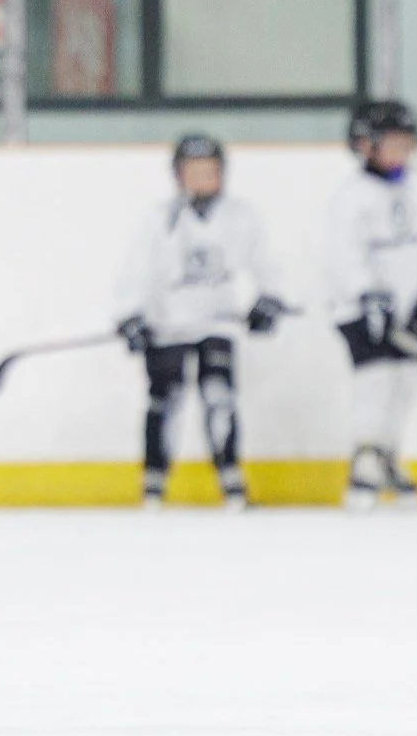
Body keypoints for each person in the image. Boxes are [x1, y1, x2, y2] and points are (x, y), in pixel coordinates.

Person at [114, 134, 288, 511]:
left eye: (210, 171)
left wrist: (270, 298)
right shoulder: (158, 219)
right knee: (166, 398)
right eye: (193, 172)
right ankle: (154, 480)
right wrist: (130, 314)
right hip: (168, 325)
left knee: (219, 395)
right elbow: (136, 270)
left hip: (217, 323)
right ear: (178, 175)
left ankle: (230, 476)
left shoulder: (241, 216)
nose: (202, 179)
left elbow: (266, 262)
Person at [325, 100, 417, 510]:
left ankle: (388, 452)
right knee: (375, 381)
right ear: (365, 145)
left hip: (401, 308)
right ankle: (365, 459)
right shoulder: (352, 197)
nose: (401, 152)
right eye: (392, 144)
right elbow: (342, 255)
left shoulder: (408, 191)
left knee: (406, 380)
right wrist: (367, 294)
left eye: (406, 144)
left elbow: (416, 251)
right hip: (359, 310)